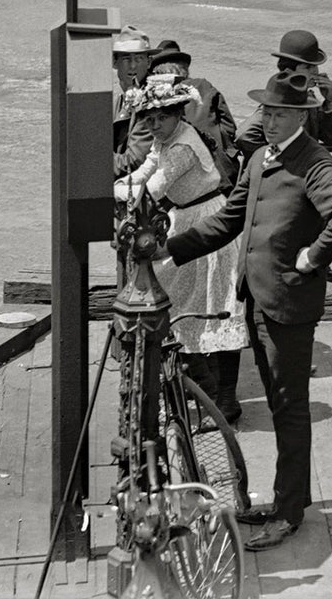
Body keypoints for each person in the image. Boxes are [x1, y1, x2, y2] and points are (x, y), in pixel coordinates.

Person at [164, 73, 332, 549]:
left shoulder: (314, 161)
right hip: (255, 298)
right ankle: (284, 499)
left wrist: (314, 256)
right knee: (278, 402)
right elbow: (230, 219)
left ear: (301, 116)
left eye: (278, 114)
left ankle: (289, 511)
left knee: (289, 407)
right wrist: (170, 251)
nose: (268, 121)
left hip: (289, 306)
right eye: (266, 113)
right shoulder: (259, 157)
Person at [120, 76, 249, 424]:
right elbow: (145, 170)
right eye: (149, 119)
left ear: (178, 113)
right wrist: (116, 187)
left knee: (215, 302)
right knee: (186, 300)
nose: (154, 125)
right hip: (186, 219)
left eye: (162, 117)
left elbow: (155, 189)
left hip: (207, 221)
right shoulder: (167, 140)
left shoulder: (182, 146)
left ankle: (224, 400)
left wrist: (120, 195)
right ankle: (202, 388)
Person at [236, 29, 332, 157]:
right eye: (307, 67)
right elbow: (244, 136)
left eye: (315, 66)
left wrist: (330, 101)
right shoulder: (278, 101)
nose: (315, 71)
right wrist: (277, 160)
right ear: (289, 70)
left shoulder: (308, 99)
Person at [148, 39, 239, 187]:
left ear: (157, 72)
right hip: (223, 174)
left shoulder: (158, 97)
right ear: (184, 68)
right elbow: (229, 127)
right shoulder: (204, 86)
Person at [113, 24, 154, 177]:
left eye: (139, 59)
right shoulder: (120, 100)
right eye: (126, 59)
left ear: (149, 62)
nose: (133, 65)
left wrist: (93, 156)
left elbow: (133, 162)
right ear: (114, 63)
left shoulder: (152, 102)